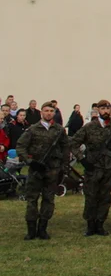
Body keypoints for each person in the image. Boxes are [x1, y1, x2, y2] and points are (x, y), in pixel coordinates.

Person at [16, 101, 68, 240]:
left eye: (51, 111)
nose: (49, 113)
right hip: (35, 170)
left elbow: (65, 149)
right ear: (41, 112)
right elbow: (20, 147)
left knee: (48, 199)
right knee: (32, 199)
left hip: (52, 170)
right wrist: (30, 161)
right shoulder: (32, 129)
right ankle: (31, 229)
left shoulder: (59, 130)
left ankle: (43, 228)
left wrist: (63, 167)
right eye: (46, 111)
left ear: (54, 113)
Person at [71, 101, 111, 235]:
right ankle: (90, 225)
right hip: (93, 168)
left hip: (109, 168)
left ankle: (100, 224)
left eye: (108, 108)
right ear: (98, 110)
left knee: (106, 197)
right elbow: (73, 143)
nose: (106, 111)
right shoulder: (89, 127)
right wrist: (82, 159)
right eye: (103, 108)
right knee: (91, 197)